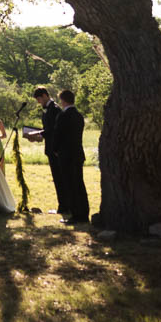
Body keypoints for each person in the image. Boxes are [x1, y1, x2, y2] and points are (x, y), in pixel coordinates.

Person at [24, 87, 65, 215]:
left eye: (39, 99)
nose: (38, 102)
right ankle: (62, 204)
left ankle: (64, 206)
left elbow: (53, 130)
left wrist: (37, 133)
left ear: (44, 95)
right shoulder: (47, 110)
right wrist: (38, 138)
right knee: (57, 178)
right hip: (50, 147)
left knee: (60, 178)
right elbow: (48, 131)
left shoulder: (55, 109)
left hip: (56, 149)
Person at [55, 90, 90, 225]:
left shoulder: (63, 116)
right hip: (77, 153)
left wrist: (55, 149)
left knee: (70, 185)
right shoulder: (79, 116)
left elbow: (58, 135)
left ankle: (76, 214)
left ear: (63, 101)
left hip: (66, 155)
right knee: (79, 184)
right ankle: (84, 212)